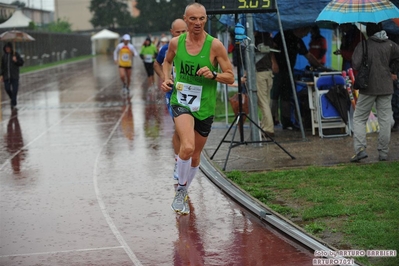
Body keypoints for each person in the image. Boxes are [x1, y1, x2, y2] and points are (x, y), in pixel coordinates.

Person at [161, 2, 234, 214]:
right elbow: (167, 62)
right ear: (186, 19)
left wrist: (213, 74)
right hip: (181, 101)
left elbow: (230, 77)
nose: (198, 23)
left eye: (202, 18)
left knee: (195, 156)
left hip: (205, 106)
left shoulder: (215, 46)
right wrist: (166, 79)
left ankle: (183, 188)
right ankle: (181, 190)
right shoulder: (176, 43)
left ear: (206, 20)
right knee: (187, 147)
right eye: (193, 19)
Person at [350, 23, 399, 162]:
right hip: (386, 86)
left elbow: (355, 64)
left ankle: (360, 150)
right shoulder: (390, 44)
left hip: (368, 87)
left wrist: (360, 50)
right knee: (385, 120)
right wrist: (393, 71)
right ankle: (383, 153)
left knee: (359, 118)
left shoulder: (364, 44)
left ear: (368, 31)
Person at [154, 18, 187, 181]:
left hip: (191, 93)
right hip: (173, 95)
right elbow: (157, 64)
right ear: (172, 32)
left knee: (191, 131)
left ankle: (188, 160)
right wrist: (164, 78)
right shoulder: (166, 49)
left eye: (184, 31)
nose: (181, 35)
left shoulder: (194, 47)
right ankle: (178, 162)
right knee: (179, 129)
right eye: (178, 32)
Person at [271, 27, 324, 130]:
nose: (306, 35)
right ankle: (271, 119)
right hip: (278, 70)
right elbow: (272, 49)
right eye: (306, 32)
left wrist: (320, 66)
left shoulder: (298, 40)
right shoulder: (283, 34)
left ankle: (286, 121)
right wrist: (274, 63)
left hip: (289, 70)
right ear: (301, 29)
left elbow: (307, 55)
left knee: (286, 96)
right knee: (274, 95)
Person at [254, 31, 279, 137]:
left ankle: (269, 128)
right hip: (269, 73)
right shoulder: (268, 40)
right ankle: (265, 126)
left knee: (263, 102)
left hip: (259, 73)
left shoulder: (254, 41)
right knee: (266, 101)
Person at [1, 42, 24, 109]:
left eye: (8, 48)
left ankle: (13, 102)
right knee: (7, 89)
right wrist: (1, 75)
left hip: (14, 76)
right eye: (6, 48)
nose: (7, 49)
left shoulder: (15, 54)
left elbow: (21, 63)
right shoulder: (4, 56)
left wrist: (16, 60)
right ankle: (13, 99)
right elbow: (2, 67)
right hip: (6, 76)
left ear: (11, 48)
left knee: (15, 90)